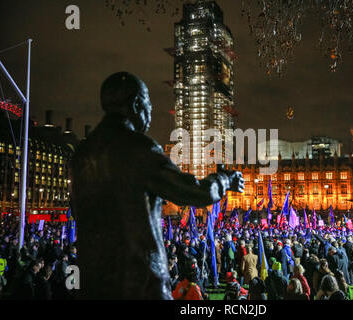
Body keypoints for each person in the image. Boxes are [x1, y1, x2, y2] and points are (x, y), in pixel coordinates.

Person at [71, 72, 245, 299]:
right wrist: (225, 180)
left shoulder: (81, 154)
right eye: (148, 105)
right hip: (140, 281)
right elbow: (191, 191)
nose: (150, 113)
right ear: (135, 104)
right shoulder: (138, 148)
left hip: (94, 282)